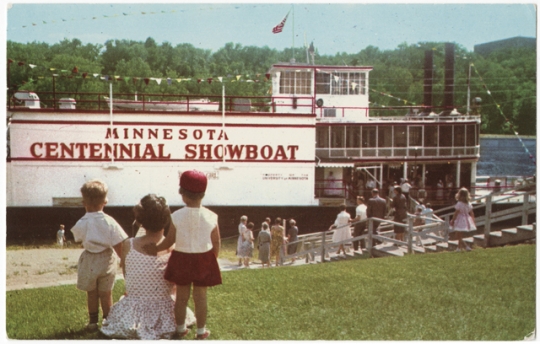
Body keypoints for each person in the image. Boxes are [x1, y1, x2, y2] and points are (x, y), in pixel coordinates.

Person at [101, 194, 196, 339]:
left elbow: (128, 276)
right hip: (164, 309)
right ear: (167, 220)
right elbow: (174, 284)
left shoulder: (129, 244)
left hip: (134, 308)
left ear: (140, 221)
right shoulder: (173, 248)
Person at [144, 170, 221, 340]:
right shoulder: (211, 216)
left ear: (183, 195)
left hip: (182, 259)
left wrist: (155, 249)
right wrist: (212, 258)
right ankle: (201, 331)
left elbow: (169, 241)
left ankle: (180, 328)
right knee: (201, 298)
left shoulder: (176, 216)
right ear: (203, 194)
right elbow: (216, 242)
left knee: (181, 298)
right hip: (204, 258)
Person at [70, 179, 128, 331]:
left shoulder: (82, 222)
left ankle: (92, 322)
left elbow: (77, 238)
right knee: (106, 292)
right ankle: (108, 321)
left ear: (84, 202)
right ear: (105, 201)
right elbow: (119, 243)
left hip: (89, 258)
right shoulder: (110, 221)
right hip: (107, 258)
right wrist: (123, 259)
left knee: (92, 292)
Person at [450, 188, 476, 252]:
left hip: (460, 218)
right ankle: (460, 248)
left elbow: (456, 213)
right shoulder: (469, 204)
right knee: (459, 234)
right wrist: (473, 220)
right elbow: (471, 213)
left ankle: (465, 247)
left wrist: (453, 220)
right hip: (466, 218)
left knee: (458, 234)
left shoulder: (459, 203)